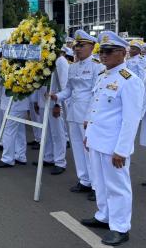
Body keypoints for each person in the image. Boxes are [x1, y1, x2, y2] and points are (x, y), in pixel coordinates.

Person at [80, 31, 143, 246]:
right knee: (100, 183)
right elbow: (95, 108)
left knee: (117, 186)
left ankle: (120, 227)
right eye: (101, 51)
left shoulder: (130, 80)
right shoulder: (103, 76)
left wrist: (122, 150)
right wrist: (88, 136)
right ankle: (104, 216)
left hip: (113, 145)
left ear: (122, 53)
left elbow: (131, 119)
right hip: (97, 140)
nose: (103, 55)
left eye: (108, 51)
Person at [51, 30, 103, 201]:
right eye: (76, 46)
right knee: (77, 148)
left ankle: (96, 186)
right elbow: (68, 90)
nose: (77, 49)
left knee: (90, 151)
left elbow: (97, 95)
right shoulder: (72, 66)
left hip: (88, 115)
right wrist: (57, 96)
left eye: (81, 45)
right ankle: (84, 180)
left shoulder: (98, 66)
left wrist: (90, 117)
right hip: (73, 113)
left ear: (92, 46)